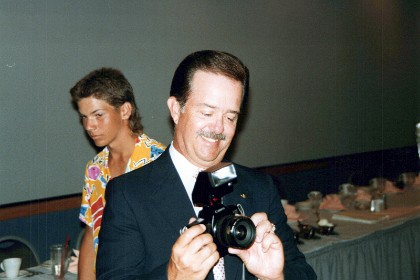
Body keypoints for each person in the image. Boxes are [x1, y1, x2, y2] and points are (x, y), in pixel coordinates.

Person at [96, 50, 316, 279]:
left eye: (230, 117)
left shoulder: (259, 188)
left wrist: (274, 277)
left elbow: (302, 273)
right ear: (175, 110)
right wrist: (173, 276)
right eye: (207, 112)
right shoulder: (129, 195)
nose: (219, 128)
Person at [69, 67, 166, 279]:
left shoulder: (160, 162)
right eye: (84, 117)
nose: (89, 125)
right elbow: (92, 233)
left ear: (124, 110)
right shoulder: (94, 169)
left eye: (98, 115)